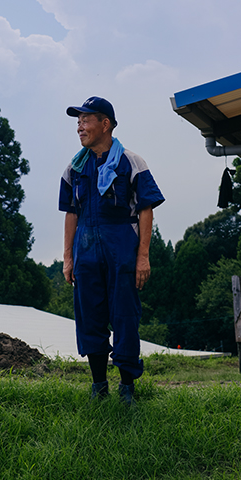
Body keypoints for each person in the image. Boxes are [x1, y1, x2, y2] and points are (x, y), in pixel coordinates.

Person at [59, 96, 164, 404]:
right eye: (77, 121)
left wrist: (143, 255)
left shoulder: (131, 161)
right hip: (86, 248)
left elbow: (146, 209)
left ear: (105, 124)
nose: (80, 126)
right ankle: (98, 385)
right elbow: (71, 213)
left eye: (86, 119)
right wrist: (68, 257)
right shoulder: (74, 168)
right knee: (89, 316)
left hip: (122, 247)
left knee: (124, 316)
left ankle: (127, 386)